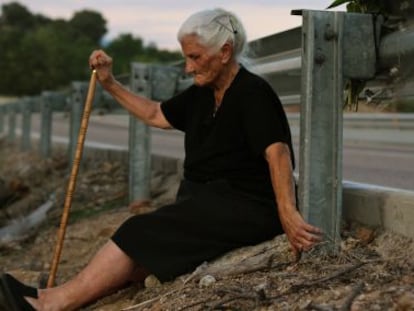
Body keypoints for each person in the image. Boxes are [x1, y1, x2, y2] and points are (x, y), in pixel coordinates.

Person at [0, 8, 322, 311]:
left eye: (195, 57)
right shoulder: (202, 93)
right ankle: (47, 294)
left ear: (224, 52)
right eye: (186, 57)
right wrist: (110, 83)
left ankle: (48, 305)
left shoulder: (253, 92)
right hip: (207, 203)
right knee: (141, 257)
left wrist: (287, 213)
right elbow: (155, 114)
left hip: (244, 207)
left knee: (138, 231)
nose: (188, 67)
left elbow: (277, 153)